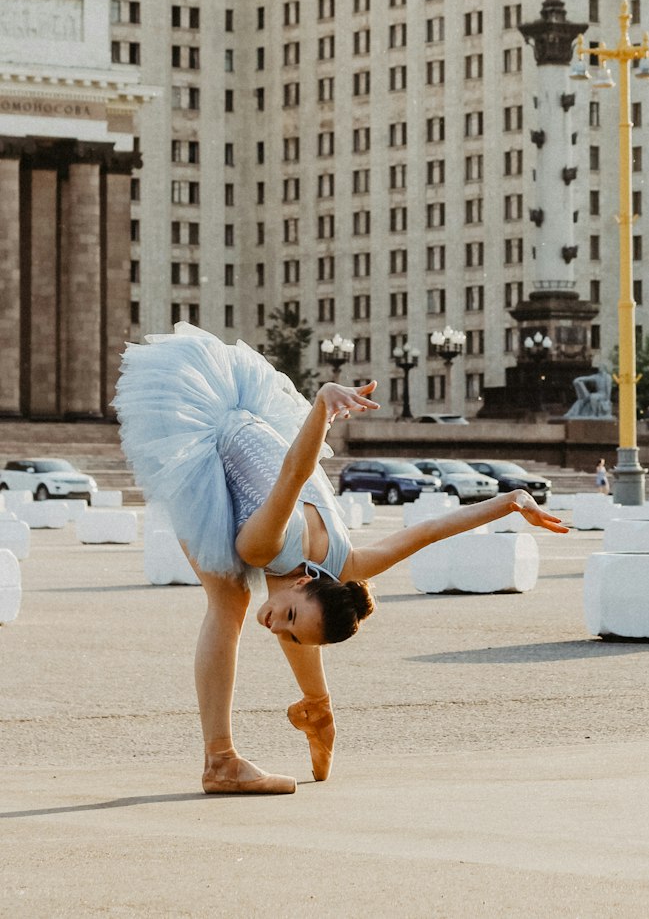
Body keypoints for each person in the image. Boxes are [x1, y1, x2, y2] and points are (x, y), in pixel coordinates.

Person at [116, 324, 567, 797]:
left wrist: (511, 500)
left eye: (288, 632)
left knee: (272, 598)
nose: (275, 628)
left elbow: (431, 531)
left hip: (255, 430)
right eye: (290, 618)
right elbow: (295, 472)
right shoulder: (265, 545)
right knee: (231, 599)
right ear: (311, 578)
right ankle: (220, 761)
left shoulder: (346, 566)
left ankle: (318, 708)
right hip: (199, 419)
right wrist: (322, 406)